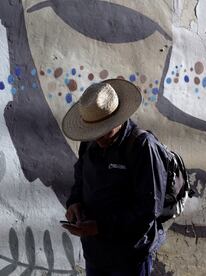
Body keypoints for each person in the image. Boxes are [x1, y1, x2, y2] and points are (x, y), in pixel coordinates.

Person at [61, 79, 168, 276]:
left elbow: (148, 211)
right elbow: (80, 180)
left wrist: (100, 227)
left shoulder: (142, 147)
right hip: (95, 255)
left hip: (130, 258)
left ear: (118, 119)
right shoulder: (90, 144)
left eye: (104, 131)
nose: (98, 137)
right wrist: (74, 203)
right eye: (94, 132)